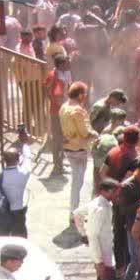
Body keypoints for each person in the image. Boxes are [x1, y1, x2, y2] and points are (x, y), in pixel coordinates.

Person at [76, 178, 128, 280]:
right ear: (108, 191)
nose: (118, 195)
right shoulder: (100, 209)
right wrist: (99, 262)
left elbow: (76, 214)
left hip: (104, 255)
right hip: (103, 258)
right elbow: (94, 236)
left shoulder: (99, 203)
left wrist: (82, 233)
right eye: (116, 192)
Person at [61, 81, 99, 217]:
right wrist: (97, 135)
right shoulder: (78, 111)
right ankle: (74, 213)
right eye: (85, 93)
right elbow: (85, 133)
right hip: (78, 149)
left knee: (76, 181)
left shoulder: (64, 107)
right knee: (78, 183)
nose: (86, 96)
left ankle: (74, 211)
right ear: (81, 95)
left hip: (68, 147)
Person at [0, 146, 31, 237]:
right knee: (20, 240)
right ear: (18, 159)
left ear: (4, 160)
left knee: (3, 239)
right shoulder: (24, 173)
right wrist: (25, 143)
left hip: (2, 213)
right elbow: (28, 158)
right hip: (18, 213)